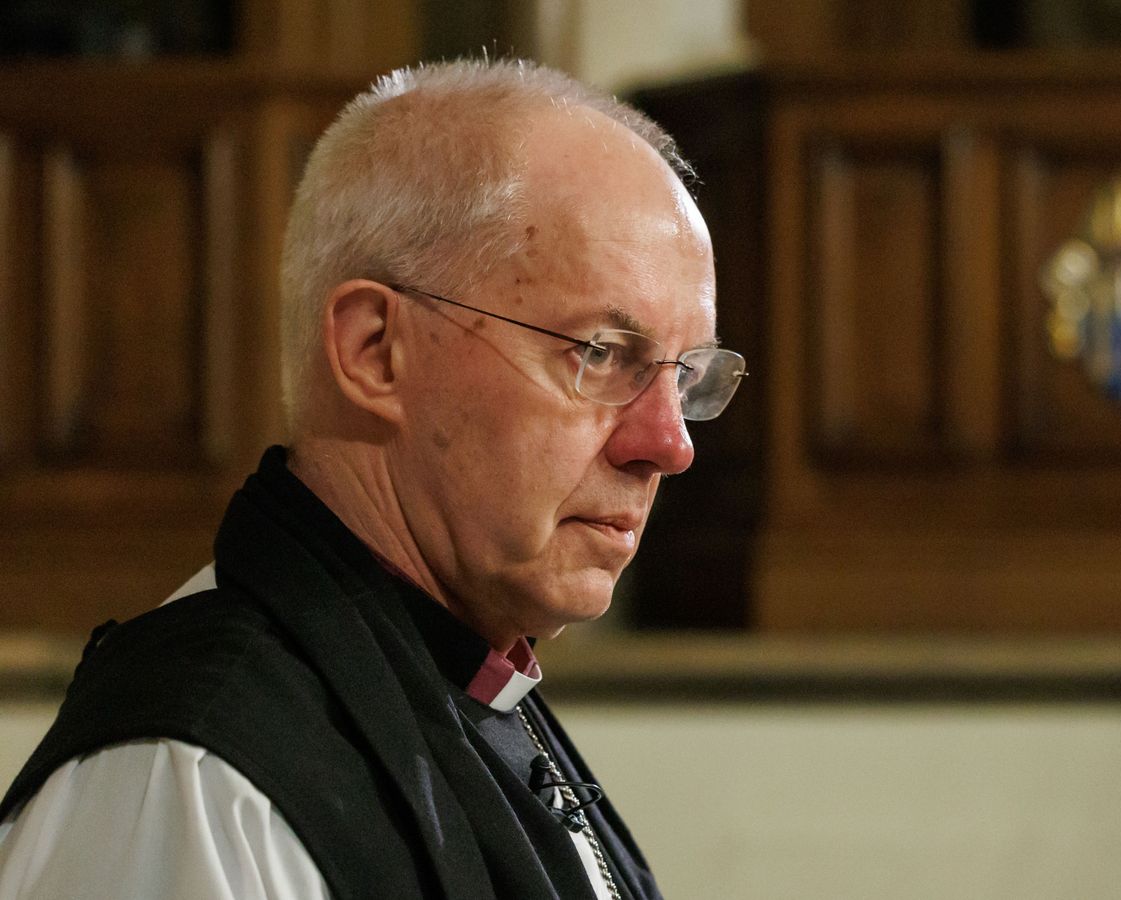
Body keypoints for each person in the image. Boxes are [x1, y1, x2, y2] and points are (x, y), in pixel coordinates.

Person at [0, 58, 744, 899]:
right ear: (374, 352)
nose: (670, 443)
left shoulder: (471, 682)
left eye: (686, 378)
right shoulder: (199, 781)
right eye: (601, 354)